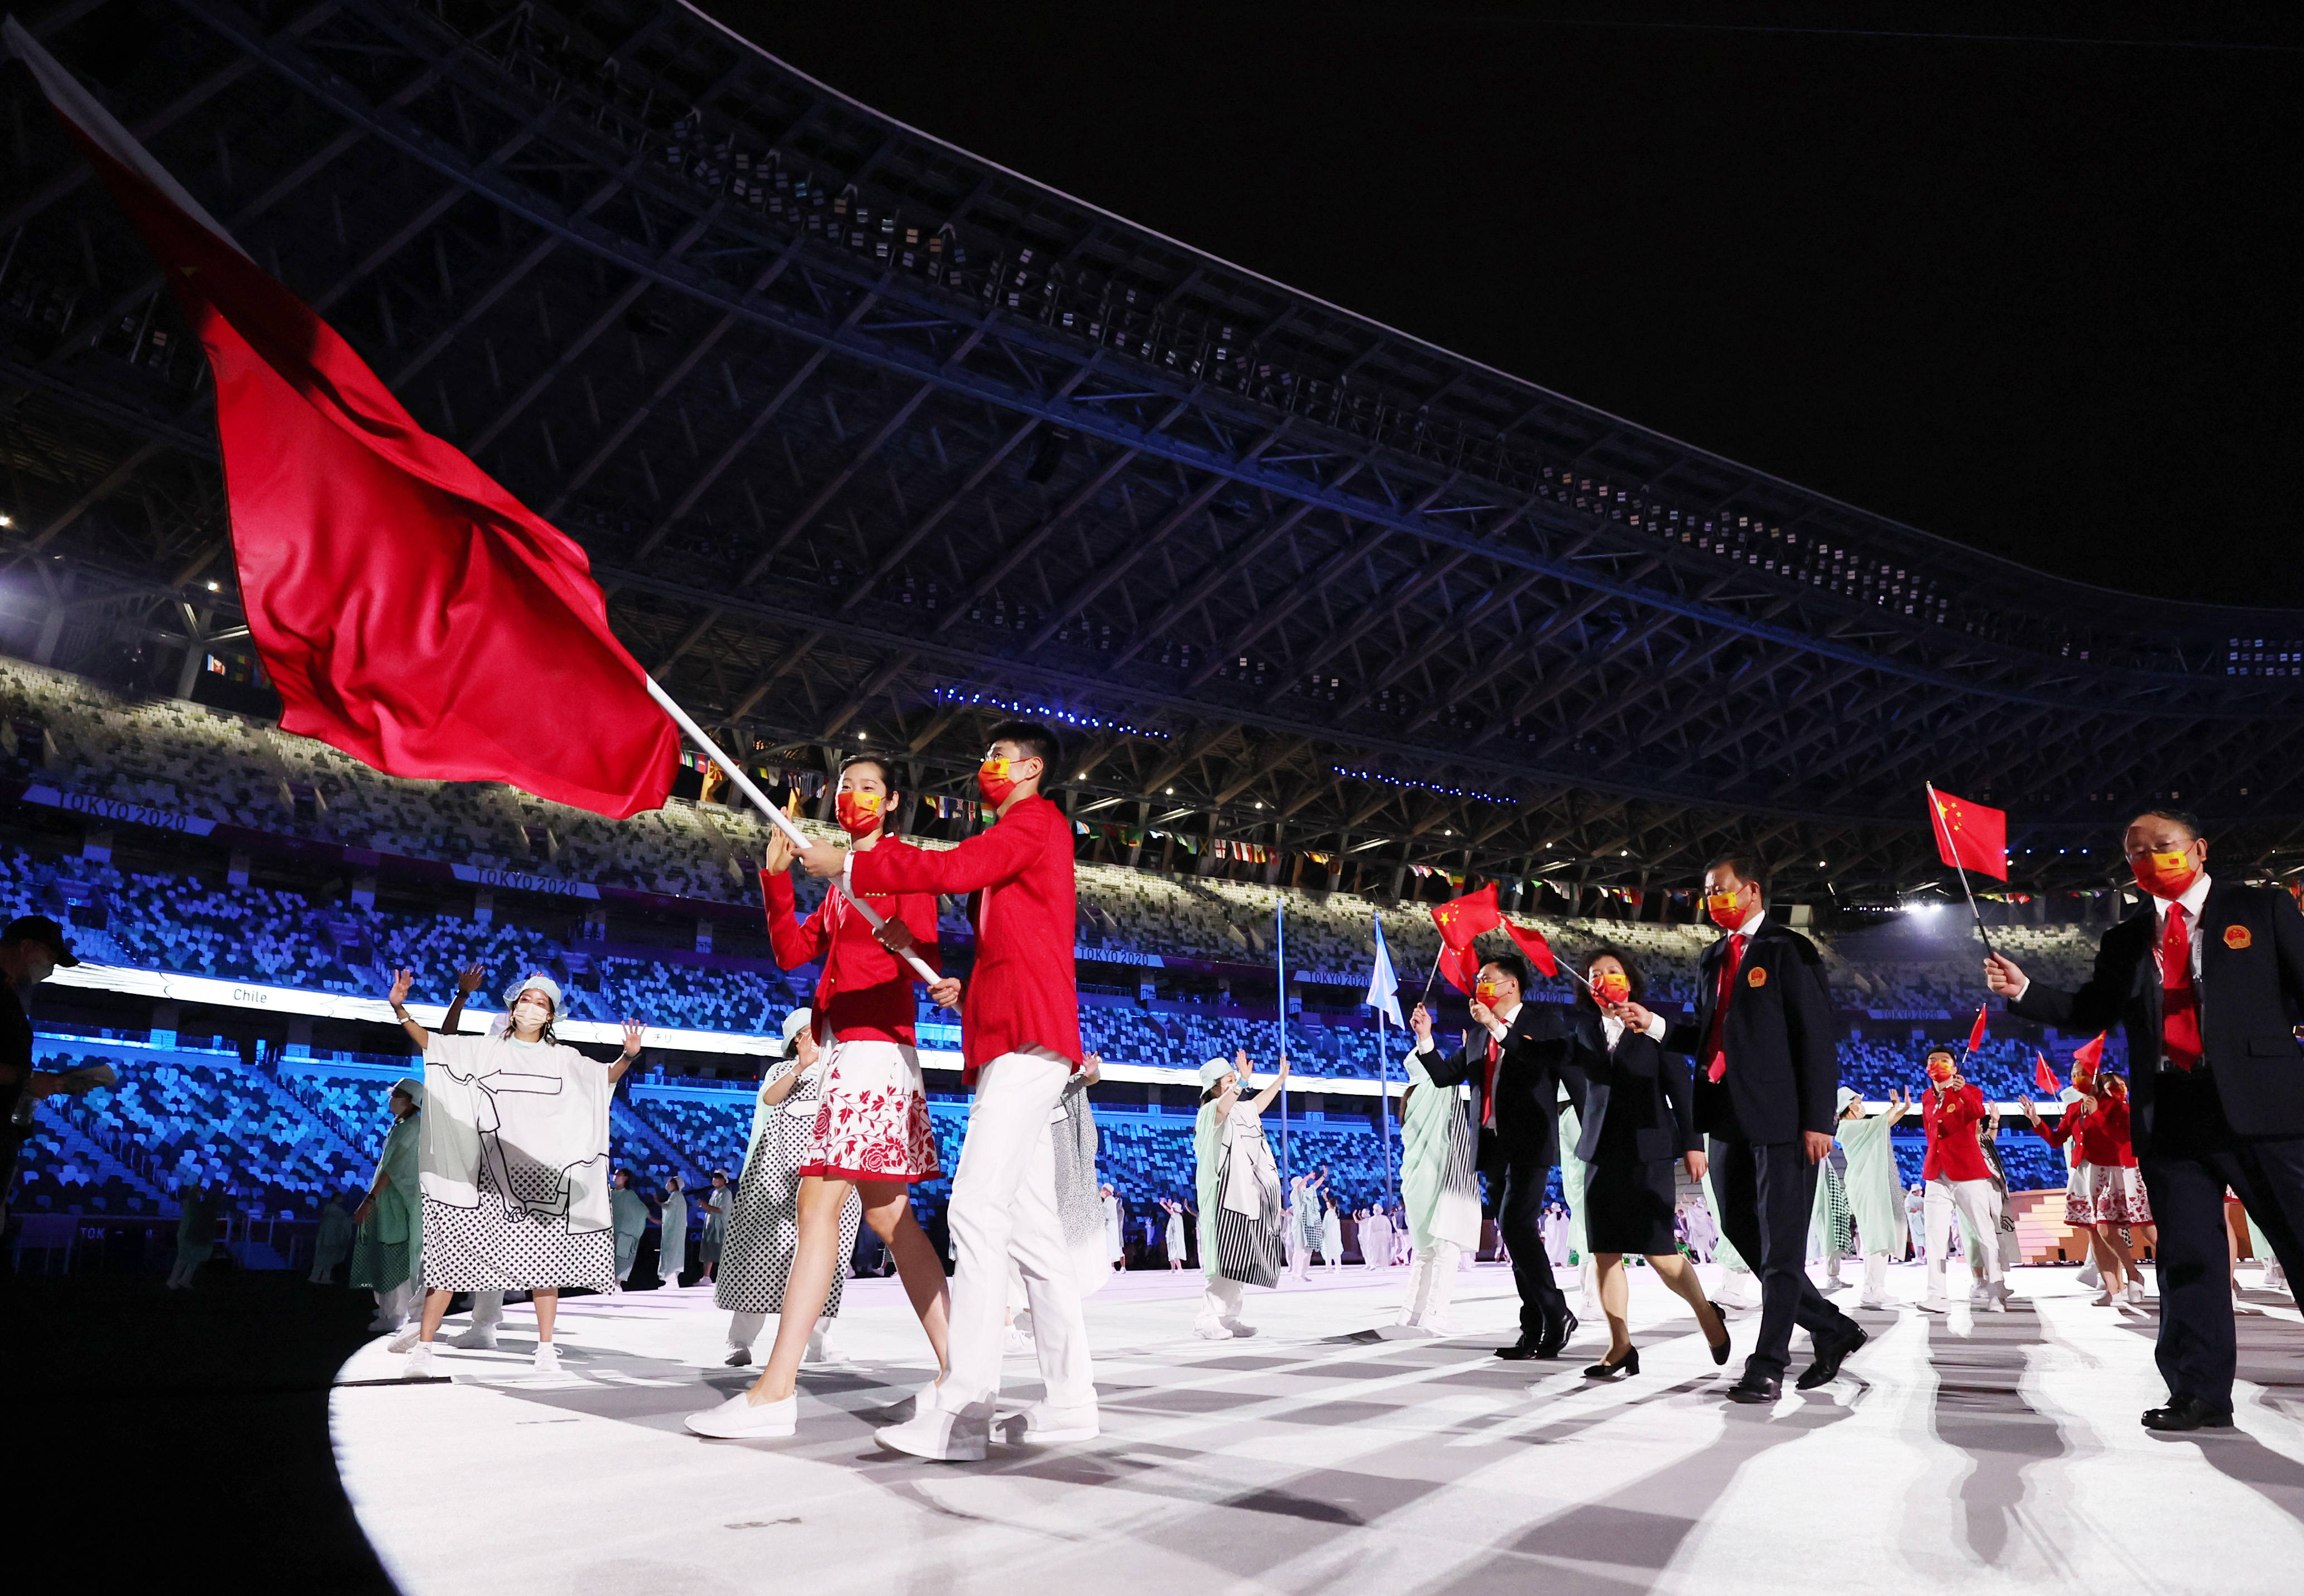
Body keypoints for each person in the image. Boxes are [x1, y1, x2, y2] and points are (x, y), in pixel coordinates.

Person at [787, 720, 1091, 1461]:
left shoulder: (1035, 820)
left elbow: (954, 869)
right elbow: (1010, 952)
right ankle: (1072, 1399)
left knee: (977, 1209)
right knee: (1031, 1230)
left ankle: (964, 1402)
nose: (982, 768)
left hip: (1027, 1042)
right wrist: (966, 992)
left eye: (994, 758)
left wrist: (853, 867)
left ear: (1029, 768)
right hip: (1014, 1034)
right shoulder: (1026, 838)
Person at [1988, 807, 2304, 1431]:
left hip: (2267, 1106)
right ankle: (2199, 1392)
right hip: (2173, 1111)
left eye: (2163, 846)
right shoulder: (2126, 938)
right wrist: (2025, 990)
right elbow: (2090, 1012)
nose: (2150, 859)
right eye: (2136, 853)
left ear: (2200, 848)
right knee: (2188, 1258)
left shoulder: (2260, 910)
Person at [687, 756, 956, 1441]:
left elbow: (924, 947)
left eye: (869, 787)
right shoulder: (837, 885)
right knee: (893, 1220)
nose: (854, 797)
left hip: (872, 1051)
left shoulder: (900, 865)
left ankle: (776, 1391)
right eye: (845, 789)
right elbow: (790, 953)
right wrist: (776, 879)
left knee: (819, 1208)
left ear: (892, 800)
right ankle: (963, 1372)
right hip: (848, 1053)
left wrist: (907, 941)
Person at [1612, 850, 1865, 1401]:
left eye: (1720, 888)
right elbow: (1709, 1037)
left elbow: (1816, 1038)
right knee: (1745, 1236)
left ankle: (1768, 1362)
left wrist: (1819, 1120)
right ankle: (1831, 1327)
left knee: (1781, 1249)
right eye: (1707, 891)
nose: (1711, 899)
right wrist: (1653, 1024)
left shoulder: (1788, 950)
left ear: (1751, 890)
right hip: (1726, 1118)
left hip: (1784, 1122)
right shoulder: (1711, 958)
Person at [391, 970, 641, 1376]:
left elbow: (603, 1079)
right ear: (513, 1008)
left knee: (544, 1265)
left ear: (551, 1016)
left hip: (541, 1178)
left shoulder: (564, 1058)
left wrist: (628, 1055)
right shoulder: (488, 1050)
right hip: (488, 1177)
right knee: (453, 1258)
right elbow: (437, 1046)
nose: (531, 1007)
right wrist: (400, 1009)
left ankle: (545, 1350)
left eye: (541, 1004)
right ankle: (424, 1347)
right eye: (526, 1000)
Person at [1542, 947, 1729, 1379]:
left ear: (1629, 979)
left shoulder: (1650, 1026)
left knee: (1661, 1254)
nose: (1605, 978)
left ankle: (1706, 1314)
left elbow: (1680, 1089)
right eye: (1596, 973)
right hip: (1600, 1155)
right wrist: (1498, 1025)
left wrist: (1693, 1143)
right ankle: (1620, 1346)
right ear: (1588, 988)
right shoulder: (1583, 1031)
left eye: (1613, 971)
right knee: (1606, 1255)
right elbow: (1544, 1055)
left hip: (1648, 1153)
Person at [1408, 950, 1576, 1361]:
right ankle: (1534, 1326)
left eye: (1487, 979)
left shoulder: (1544, 1023)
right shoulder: (1479, 1033)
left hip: (1531, 1140)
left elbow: (1539, 1061)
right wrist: (1426, 1038)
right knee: (1515, 1234)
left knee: (1515, 1224)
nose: (1478, 986)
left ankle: (1556, 1312)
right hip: (1493, 1143)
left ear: (1511, 985)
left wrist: (1497, 1028)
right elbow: (1446, 1076)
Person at [713, 1008, 861, 1367]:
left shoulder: (838, 1071)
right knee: (760, 1262)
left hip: (826, 1179)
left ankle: (818, 1341)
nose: (817, 1038)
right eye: (808, 1033)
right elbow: (770, 1099)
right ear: (796, 1040)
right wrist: (800, 1066)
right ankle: (740, 1341)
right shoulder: (781, 1071)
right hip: (775, 1184)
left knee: (826, 1260)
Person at [0, 915, 106, 1228]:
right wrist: (29, 1080)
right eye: (51, 958)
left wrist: (52, 1084)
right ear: (26, 946)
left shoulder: (9, 994)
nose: (51, 969)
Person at [2022, 1066, 2154, 1307]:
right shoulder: (2074, 1109)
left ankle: (2135, 1274)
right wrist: (2036, 1121)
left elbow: (2123, 1138)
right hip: (2086, 1173)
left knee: (2112, 1229)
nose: (2076, 1078)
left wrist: (2097, 1114)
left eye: (2083, 1072)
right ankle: (2112, 1289)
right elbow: (2056, 1140)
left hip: (2114, 1171)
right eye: (2073, 1073)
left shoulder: (2116, 1105)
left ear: (2096, 1078)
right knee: (2094, 1231)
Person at [1899, 1046, 2007, 1313]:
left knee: (1984, 1232)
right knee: (1935, 1237)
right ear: (1926, 1068)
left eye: (1944, 1061)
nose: (1937, 1065)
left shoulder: (1970, 1091)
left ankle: (1996, 1292)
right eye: (1932, 1061)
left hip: (1968, 1173)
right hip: (1936, 1174)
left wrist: (1960, 1092)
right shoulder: (1926, 1097)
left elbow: (1975, 1113)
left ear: (1955, 1068)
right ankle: (1937, 1295)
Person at [1194, 1050, 1289, 1338]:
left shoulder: (1241, 1109)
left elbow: (1256, 1105)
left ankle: (1229, 1317)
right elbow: (1223, 1109)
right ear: (1214, 1087)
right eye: (1228, 1080)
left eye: (1234, 1079)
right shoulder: (1209, 1112)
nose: (1235, 1083)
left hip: (1246, 1197)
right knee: (1222, 1260)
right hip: (1223, 1198)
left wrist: (1280, 1080)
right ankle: (1207, 1318)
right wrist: (1242, 1084)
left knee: (1240, 1259)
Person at [349, 1078, 424, 1333]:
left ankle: (395, 1314)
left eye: (397, 1096)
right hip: (390, 1202)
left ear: (410, 1101)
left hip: (397, 1203)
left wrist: (369, 1200)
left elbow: (394, 1169)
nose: (391, 1100)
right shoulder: (403, 1126)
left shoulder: (412, 1128)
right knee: (387, 1254)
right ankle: (388, 1309)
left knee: (395, 1256)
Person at [1836, 1088, 1909, 1309]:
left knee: (1876, 1237)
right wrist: (1895, 1107)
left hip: (1869, 1184)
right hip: (1866, 1184)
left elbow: (1883, 1125)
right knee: (1876, 1237)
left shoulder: (1860, 1128)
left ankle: (1873, 1288)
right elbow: (1881, 1122)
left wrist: (1904, 1108)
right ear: (1849, 1106)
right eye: (1858, 1102)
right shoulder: (1847, 1127)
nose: (1862, 1106)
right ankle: (1873, 1289)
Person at [167, 1177, 214, 1291]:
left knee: (194, 1259)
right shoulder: (189, 1204)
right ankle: (172, 1281)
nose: (200, 1194)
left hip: (195, 1234)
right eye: (199, 1192)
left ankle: (185, 1280)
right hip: (186, 1234)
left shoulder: (197, 1205)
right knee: (183, 1259)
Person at [611, 1169, 648, 1284]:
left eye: (619, 1175)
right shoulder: (609, 1193)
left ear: (626, 1178)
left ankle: (618, 1283)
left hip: (624, 1233)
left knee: (621, 1256)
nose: (615, 1177)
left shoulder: (630, 1195)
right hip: (609, 1231)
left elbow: (641, 1211)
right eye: (615, 1174)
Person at [310, 1191, 356, 1285]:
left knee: (328, 1259)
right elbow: (346, 1221)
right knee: (324, 1258)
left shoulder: (332, 1210)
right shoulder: (335, 1211)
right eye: (340, 1197)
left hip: (330, 1238)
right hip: (330, 1239)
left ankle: (323, 1278)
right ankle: (316, 1277)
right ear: (336, 1198)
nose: (342, 1199)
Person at [699, 1169, 732, 1282]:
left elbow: (721, 1210)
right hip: (711, 1226)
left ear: (724, 1180)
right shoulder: (715, 1193)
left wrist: (706, 1206)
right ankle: (706, 1277)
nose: (715, 1179)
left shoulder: (726, 1193)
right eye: (714, 1177)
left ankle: (725, 1277)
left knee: (720, 1252)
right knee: (708, 1251)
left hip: (719, 1228)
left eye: (718, 1177)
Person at [657, 1174, 690, 1287]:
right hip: (674, 1231)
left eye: (670, 1182)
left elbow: (668, 1207)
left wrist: (657, 1201)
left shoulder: (676, 1196)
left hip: (674, 1231)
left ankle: (671, 1280)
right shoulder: (677, 1196)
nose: (667, 1185)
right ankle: (672, 1280)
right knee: (673, 1253)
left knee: (672, 1253)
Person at [1361, 1201, 1394, 1271]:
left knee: (1375, 1250)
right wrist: (1389, 1235)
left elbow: (1369, 1230)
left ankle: (1375, 1264)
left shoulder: (1372, 1219)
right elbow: (1389, 1227)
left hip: (1375, 1235)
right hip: (1382, 1235)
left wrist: (1369, 1238)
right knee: (1382, 1250)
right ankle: (1382, 1265)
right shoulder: (1384, 1218)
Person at [1103, 1184, 1127, 1272]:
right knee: (1111, 1251)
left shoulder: (1120, 1211)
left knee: (1120, 1251)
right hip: (1111, 1232)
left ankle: (1123, 1267)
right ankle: (1112, 1267)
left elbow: (1119, 1223)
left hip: (1117, 1233)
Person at [1321, 1191, 1344, 1275]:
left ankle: (1329, 1268)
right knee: (1336, 1251)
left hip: (1329, 1235)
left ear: (1330, 1205)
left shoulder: (1329, 1213)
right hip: (1336, 1235)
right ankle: (1338, 1267)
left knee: (1328, 1251)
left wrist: (1322, 1231)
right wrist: (1326, 1198)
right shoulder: (1335, 1212)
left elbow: (1325, 1224)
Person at [1165, 1197, 1190, 1271]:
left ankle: (1180, 1268)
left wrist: (1164, 1204)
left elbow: (1168, 1210)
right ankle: (1173, 1269)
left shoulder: (1176, 1216)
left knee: (1175, 1253)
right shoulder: (1174, 1217)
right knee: (1171, 1254)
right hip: (1171, 1237)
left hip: (1175, 1237)